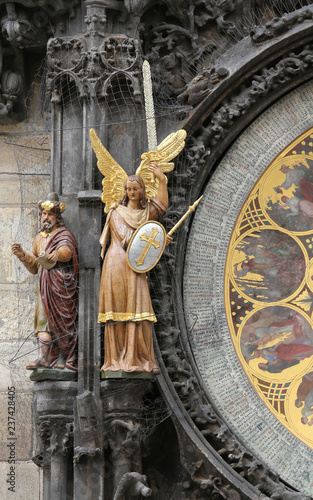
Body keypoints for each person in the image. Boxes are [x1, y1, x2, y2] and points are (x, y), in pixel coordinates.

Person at [98, 162, 171, 374]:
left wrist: (162, 180)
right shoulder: (116, 212)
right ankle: (117, 360)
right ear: (125, 191)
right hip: (118, 264)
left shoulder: (146, 212)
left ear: (141, 191)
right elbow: (127, 239)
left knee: (140, 309)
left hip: (136, 266)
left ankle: (138, 358)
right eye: (129, 189)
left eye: (135, 189)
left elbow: (161, 206)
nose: (131, 192)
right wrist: (158, 236)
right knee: (119, 310)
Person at [12, 193, 79, 371]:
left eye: (49, 214)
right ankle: (44, 358)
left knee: (62, 323)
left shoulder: (63, 234)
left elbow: (68, 250)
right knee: (43, 321)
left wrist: (58, 254)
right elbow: (34, 267)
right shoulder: (38, 238)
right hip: (43, 286)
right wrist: (23, 256)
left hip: (60, 286)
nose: (45, 218)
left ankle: (64, 358)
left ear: (57, 217)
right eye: (43, 214)